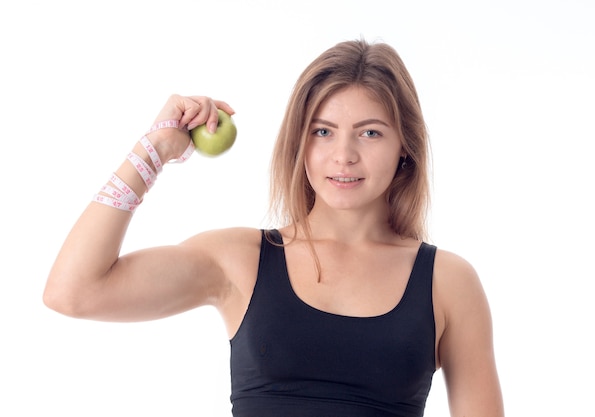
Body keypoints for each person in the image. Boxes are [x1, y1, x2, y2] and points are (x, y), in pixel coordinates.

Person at [44, 39, 504, 417]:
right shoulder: (240, 259)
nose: (343, 155)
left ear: (404, 144)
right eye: (322, 131)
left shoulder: (448, 282)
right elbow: (74, 291)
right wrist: (153, 151)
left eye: (370, 132)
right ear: (298, 143)